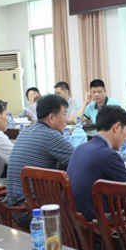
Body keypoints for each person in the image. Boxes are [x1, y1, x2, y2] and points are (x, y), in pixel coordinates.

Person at [67, 105, 126, 245]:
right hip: (96, 224)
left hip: (74, 221)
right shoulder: (107, 154)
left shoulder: (81, 148)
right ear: (116, 127)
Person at [6, 95, 74, 230]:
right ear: (51, 117)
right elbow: (80, 161)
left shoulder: (25, 132)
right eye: (64, 114)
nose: (67, 119)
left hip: (14, 208)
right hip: (33, 212)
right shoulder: (51, 136)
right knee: (83, 218)